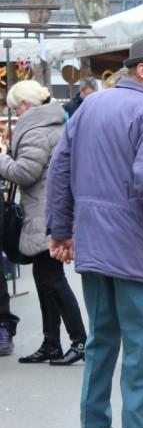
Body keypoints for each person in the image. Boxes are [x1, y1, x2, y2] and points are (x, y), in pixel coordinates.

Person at [46, 36, 143, 428]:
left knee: (102, 336)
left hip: (94, 239)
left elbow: (59, 169)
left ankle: (94, 426)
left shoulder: (89, 106)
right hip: (135, 241)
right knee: (140, 340)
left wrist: (61, 229)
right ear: (142, 70)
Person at [0, 81, 87, 365]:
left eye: (15, 108)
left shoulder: (35, 131)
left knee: (52, 279)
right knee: (44, 278)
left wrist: (0, 159)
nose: (15, 114)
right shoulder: (54, 124)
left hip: (44, 212)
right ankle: (51, 342)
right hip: (50, 209)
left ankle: (79, 340)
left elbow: (24, 173)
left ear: (25, 105)